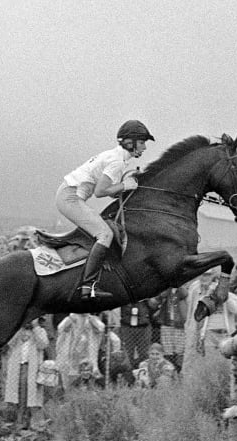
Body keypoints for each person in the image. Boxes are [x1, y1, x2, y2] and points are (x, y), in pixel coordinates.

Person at [56, 120, 154, 301]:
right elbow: (101, 192)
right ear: (130, 142)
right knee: (105, 235)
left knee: (103, 231)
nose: (145, 147)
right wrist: (125, 184)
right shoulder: (117, 161)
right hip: (69, 197)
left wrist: (125, 186)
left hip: (69, 195)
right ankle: (88, 286)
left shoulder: (117, 158)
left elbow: (108, 191)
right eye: (142, 142)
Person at [4, 318, 49, 430]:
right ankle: (20, 419)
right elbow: (10, 343)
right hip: (17, 366)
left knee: (30, 396)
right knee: (18, 394)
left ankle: (33, 421)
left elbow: (43, 344)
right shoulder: (17, 331)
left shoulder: (40, 331)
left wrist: (35, 327)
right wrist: (19, 327)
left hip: (32, 368)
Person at [55, 312, 105, 389]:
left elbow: (101, 328)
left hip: (87, 359)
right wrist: (71, 319)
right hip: (70, 359)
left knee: (87, 382)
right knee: (68, 383)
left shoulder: (91, 319)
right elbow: (60, 328)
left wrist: (91, 320)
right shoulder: (70, 318)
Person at [155, 287, 188, 372]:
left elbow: (184, 293)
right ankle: (169, 371)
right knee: (168, 351)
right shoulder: (167, 290)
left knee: (179, 350)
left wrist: (178, 287)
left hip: (179, 325)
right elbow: (161, 295)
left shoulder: (182, 290)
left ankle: (179, 371)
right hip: (167, 323)